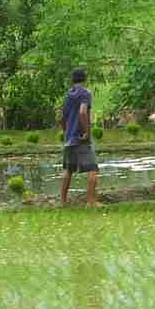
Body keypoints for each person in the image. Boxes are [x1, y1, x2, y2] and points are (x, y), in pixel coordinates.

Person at [60, 68, 100, 206]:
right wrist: (87, 132)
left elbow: (62, 117)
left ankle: (63, 202)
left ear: (72, 80)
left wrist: (66, 133)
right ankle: (91, 201)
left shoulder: (68, 95)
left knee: (68, 170)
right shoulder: (85, 93)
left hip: (69, 139)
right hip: (81, 138)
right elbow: (83, 112)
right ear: (85, 79)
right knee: (93, 169)